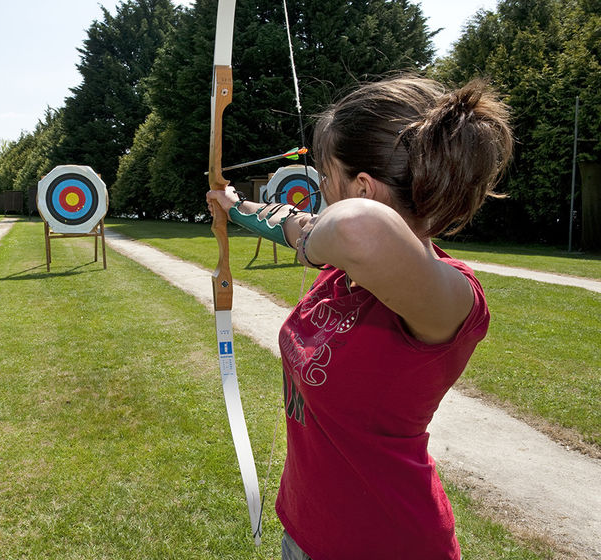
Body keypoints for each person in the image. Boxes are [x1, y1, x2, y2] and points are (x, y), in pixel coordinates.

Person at [206, 75, 513, 559]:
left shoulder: (451, 296)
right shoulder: (344, 268)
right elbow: (315, 225)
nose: (321, 193)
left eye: (325, 178)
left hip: (389, 543)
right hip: (306, 531)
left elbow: (355, 228)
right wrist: (236, 207)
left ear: (363, 188)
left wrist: (306, 241)